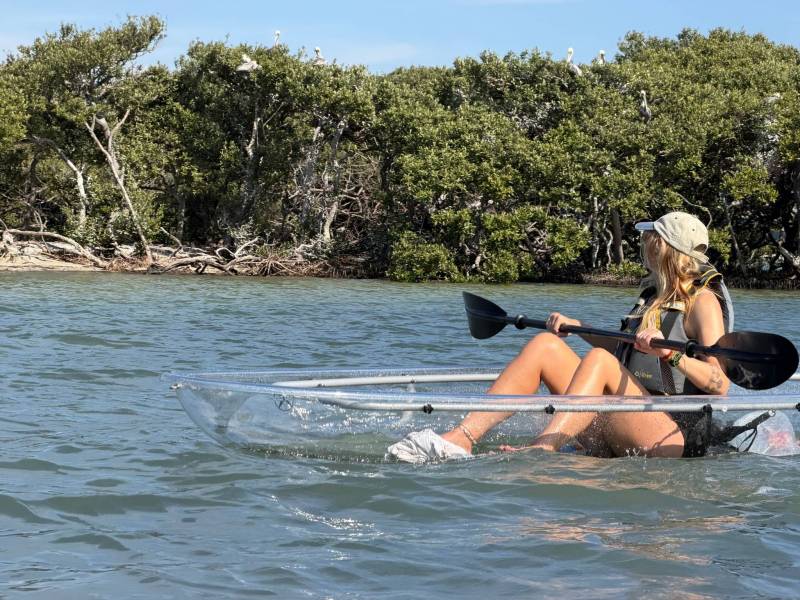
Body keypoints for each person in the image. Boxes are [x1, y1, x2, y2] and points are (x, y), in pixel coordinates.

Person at [389, 211, 738, 462]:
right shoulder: (653, 296)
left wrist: (671, 355)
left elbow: (719, 384)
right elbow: (623, 353)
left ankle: (545, 446)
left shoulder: (703, 302)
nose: (644, 244)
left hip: (671, 435)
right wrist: (576, 327)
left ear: (662, 248)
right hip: (632, 415)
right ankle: (460, 439)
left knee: (600, 362)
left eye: (651, 239)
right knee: (546, 345)